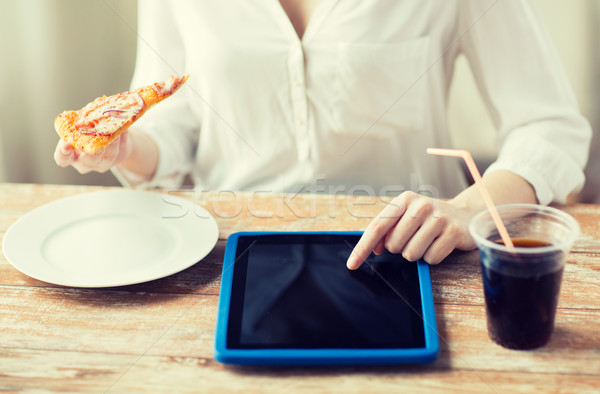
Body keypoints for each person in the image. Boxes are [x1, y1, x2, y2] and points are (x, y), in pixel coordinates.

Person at [55, 0, 591, 269]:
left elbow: (551, 126)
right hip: (221, 255)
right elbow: (179, 130)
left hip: (411, 255)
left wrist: (471, 206)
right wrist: (129, 148)